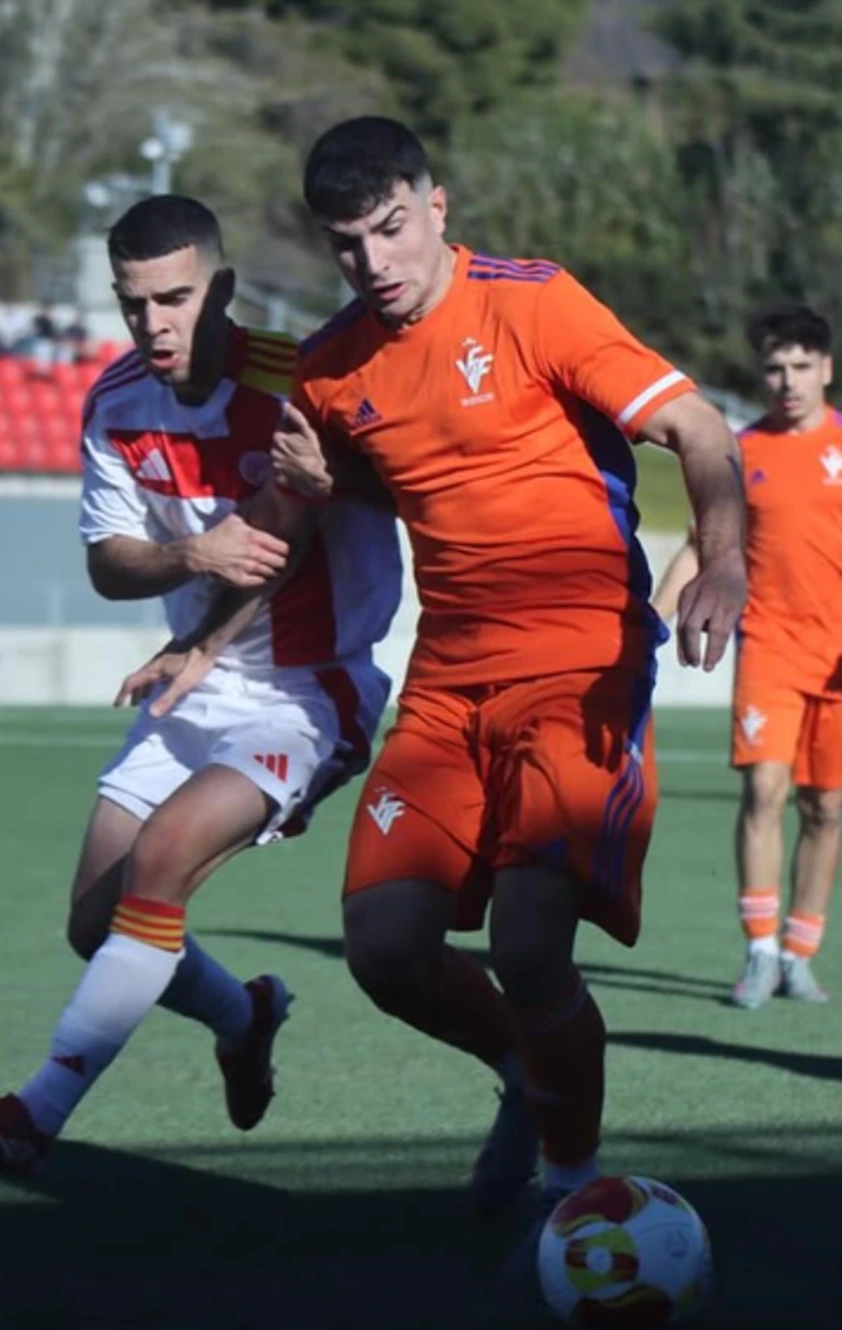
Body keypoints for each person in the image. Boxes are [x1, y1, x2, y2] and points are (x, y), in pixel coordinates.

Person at [266, 116, 747, 1220]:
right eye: (347, 244)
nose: (373, 262)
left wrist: (721, 566)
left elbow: (700, 429)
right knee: (385, 951)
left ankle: (573, 1195)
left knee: (529, 944)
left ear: (436, 207)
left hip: (583, 661)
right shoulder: (328, 368)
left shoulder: (533, 301)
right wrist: (320, 483)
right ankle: (527, 1076)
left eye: (390, 228)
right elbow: (400, 487)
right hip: (445, 682)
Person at [0, 194, 402, 1176]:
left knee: (160, 862)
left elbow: (317, 523)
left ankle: (30, 1117)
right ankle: (245, 1015)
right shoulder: (117, 400)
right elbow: (110, 564)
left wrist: (212, 619)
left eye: (174, 298)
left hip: (307, 688)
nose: (153, 324)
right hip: (187, 687)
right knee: (92, 923)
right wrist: (189, 553)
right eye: (133, 303)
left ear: (225, 289)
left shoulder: (304, 381)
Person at [725, 306, 842, 1008]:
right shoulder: (743, 451)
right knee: (764, 791)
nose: (788, 381)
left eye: (802, 366)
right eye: (775, 367)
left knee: (825, 806)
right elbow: (713, 544)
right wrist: (660, 611)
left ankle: (801, 951)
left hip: (839, 657)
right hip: (769, 642)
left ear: (826, 369)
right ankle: (760, 951)